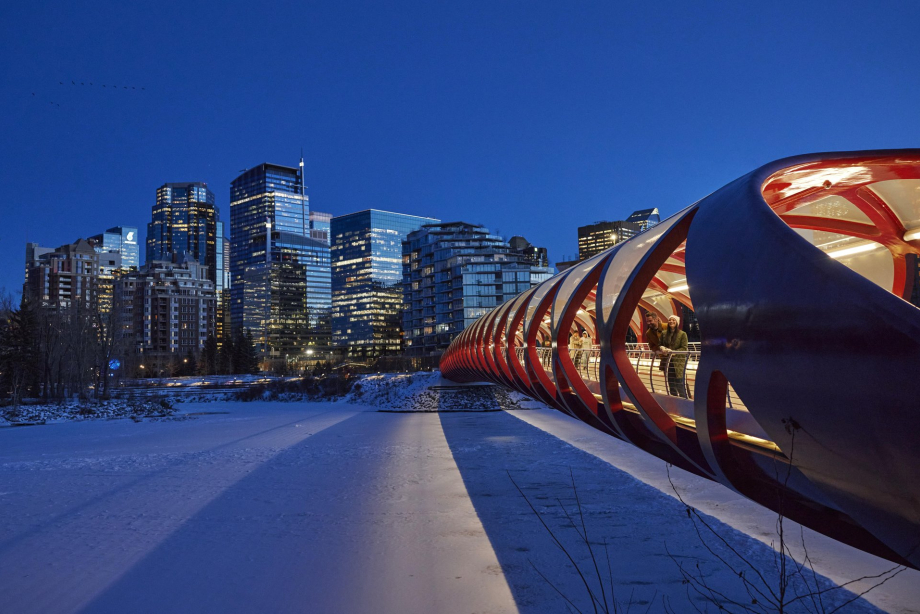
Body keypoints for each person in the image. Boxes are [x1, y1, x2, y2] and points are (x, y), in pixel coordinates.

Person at [659, 314, 689, 398]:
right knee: (671, 383)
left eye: (673, 320)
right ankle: (674, 400)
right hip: (667, 362)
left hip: (678, 362)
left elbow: (684, 348)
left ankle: (684, 400)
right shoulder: (664, 333)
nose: (671, 321)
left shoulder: (683, 334)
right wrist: (662, 347)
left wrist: (673, 352)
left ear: (677, 322)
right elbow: (660, 344)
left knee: (679, 383)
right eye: (670, 320)